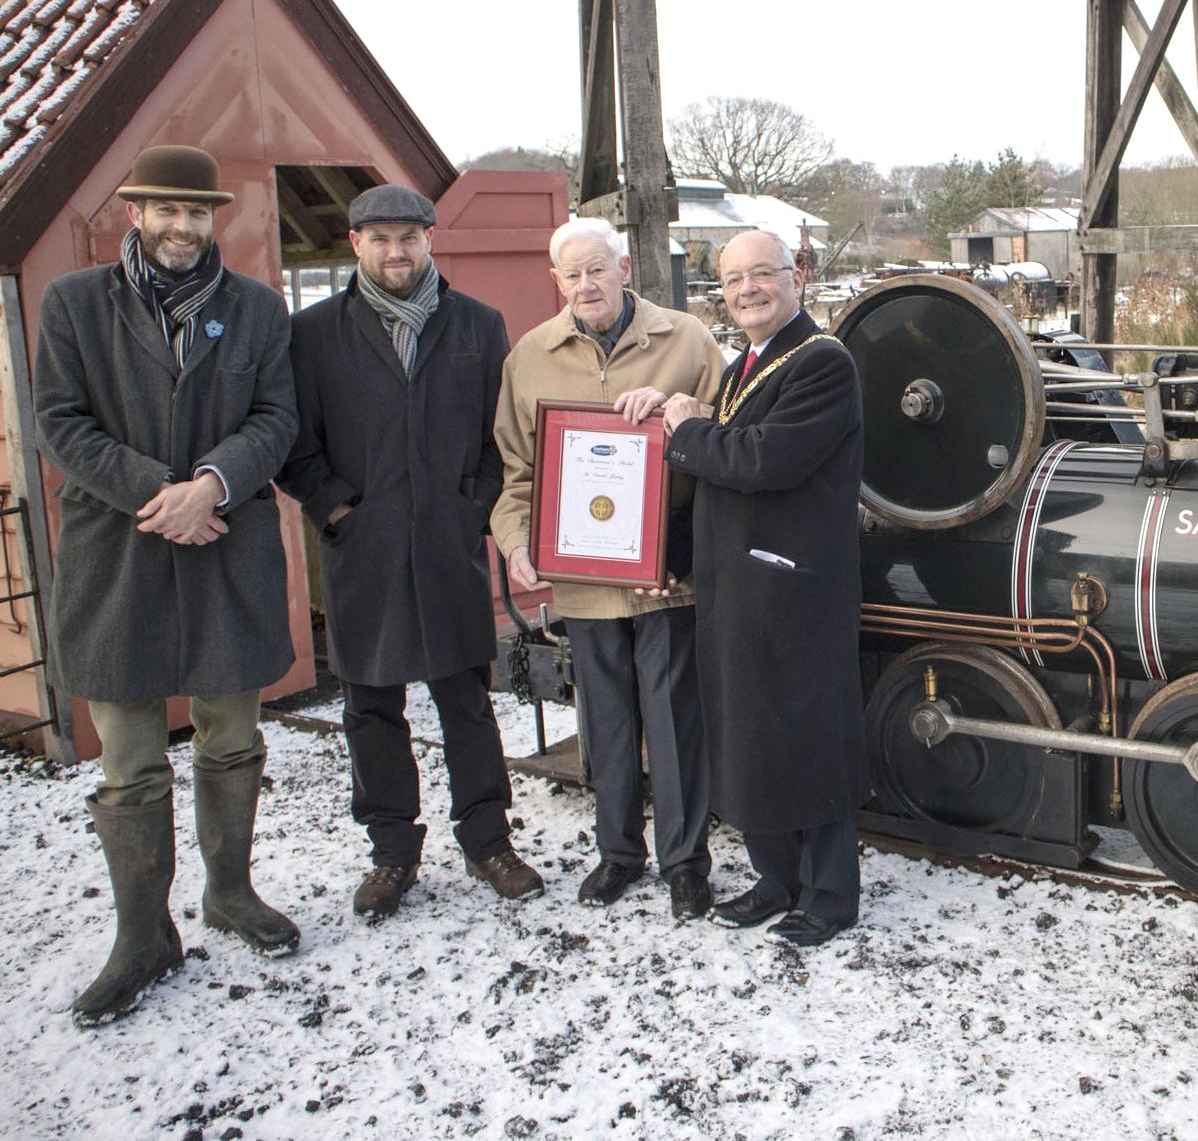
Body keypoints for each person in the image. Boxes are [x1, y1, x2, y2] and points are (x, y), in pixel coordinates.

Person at [34, 145, 301, 1027]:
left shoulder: (258, 308)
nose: (183, 227)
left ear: (213, 218)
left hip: (226, 546)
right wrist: (163, 495)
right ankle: (142, 934)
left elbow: (277, 418)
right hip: (121, 555)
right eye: (166, 211)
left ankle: (229, 892)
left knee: (231, 734)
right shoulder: (74, 303)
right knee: (129, 758)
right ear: (134, 211)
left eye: (197, 213)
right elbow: (58, 422)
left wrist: (212, 485)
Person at [277, 184, 540, 920]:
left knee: (467, 702)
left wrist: (472, 507)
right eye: (381, 238)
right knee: (371, 706)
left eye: (410, 237)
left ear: (430, 241)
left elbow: (502, 437)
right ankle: (391, 853)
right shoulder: (314, 333)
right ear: (356, 244)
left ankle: (488, 840)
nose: (397, 251)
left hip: (449, 545)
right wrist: (337, 509)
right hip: (362, 548)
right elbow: (295, 444)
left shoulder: (477, 327)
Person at [493, 217, 724, 916]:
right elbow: (517, 475)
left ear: (625, 266)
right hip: (586, 583)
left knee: (675, 719)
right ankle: (618, 854)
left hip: (665, 574)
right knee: (607, 722)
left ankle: (686, 862)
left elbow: (729, 439)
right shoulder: (530, 356)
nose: (586, 284)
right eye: (572, 273)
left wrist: (680, 409)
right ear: (555, 280)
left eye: (598, 268)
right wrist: (516, 544)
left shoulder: (686, 339)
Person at [662, 229, 867, 949]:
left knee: (807, 736)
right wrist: (676, 552)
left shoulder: (822, 363)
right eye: (734, 279)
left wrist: (682, 430)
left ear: (797, 278)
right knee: (751, 737)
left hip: (793, 587)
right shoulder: (747, 362)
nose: (747, 289)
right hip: (738, 584)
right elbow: (725, 480)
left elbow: (764, 460)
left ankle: (830, 893)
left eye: (762, 274)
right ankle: (776, 880)